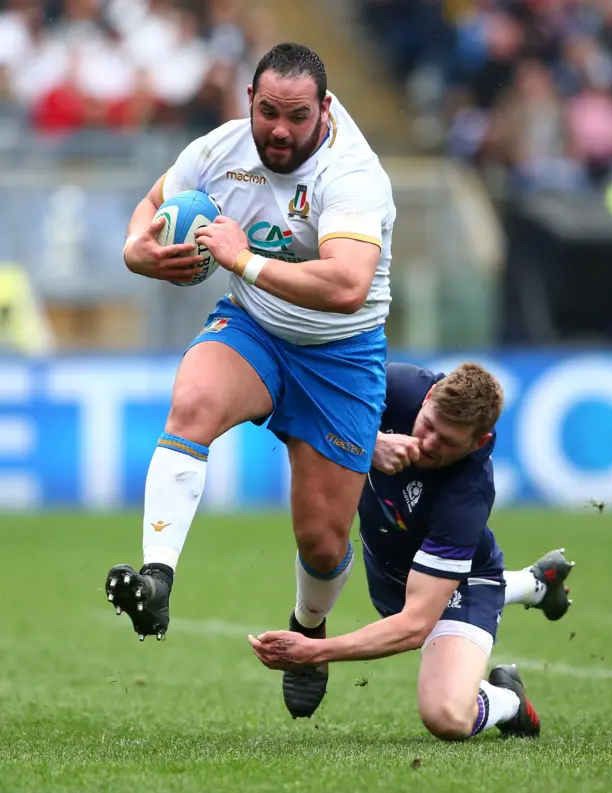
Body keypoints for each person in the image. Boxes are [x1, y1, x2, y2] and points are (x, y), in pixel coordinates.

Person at [104, 42, 396, 721]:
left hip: (340, 354)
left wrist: (243, 259)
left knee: (322, 540)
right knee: (194, 400)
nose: (280, 131)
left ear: (324, 110)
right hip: (254, 328)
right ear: (250, 104)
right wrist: (138, 252)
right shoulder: (219, 149)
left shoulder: (352, 172)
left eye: (296, 116)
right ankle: (156, 577)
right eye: (268, 112)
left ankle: (309, 630)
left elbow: (348, 285)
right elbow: (149, 209)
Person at [250, 362, 575, 738]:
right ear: (430, 396)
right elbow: (298, 402)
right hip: (391, 568)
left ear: (478, 442)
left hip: (460, 584)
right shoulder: (393, 386)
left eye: (448, 442)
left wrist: (314, 653)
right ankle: (534, 584)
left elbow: (414, 625)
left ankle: (510, 701)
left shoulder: (466, 496)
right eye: (429, 425)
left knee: (447, 717)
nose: (428, 444)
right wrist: (367, 444)